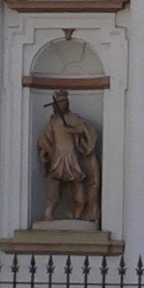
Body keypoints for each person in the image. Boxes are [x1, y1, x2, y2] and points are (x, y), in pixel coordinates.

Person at [37, 91, 101, 224]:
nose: (60, 106)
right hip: (58, 157)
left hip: (72, 157)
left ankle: (78, 214)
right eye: (58, 104)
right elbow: (45, 140)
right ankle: (48, 212)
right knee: (54, 183)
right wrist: (43, 154)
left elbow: (86, 130)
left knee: (78, 184)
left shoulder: (74, 119)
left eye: (62, 103)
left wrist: (74, 130)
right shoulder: (53, 122)